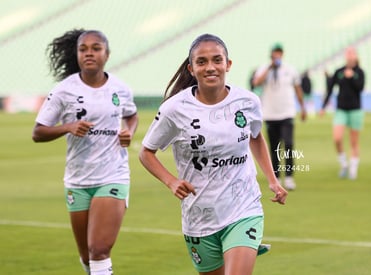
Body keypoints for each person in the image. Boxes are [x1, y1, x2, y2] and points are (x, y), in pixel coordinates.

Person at [139, 33, 287, 275]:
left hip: (243, 209)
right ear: (191, 68)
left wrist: (272, 180)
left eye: (217, 60)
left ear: (228, 64)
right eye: (202, 61)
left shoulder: (248, 101)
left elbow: (256, 136)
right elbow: (146, 152)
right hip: (199, 217)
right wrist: (171, 181)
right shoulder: (174, 109)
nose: (210, 67)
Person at [32, 29, 138, 275]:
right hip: (78, 180)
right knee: (87, 257)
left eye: (96, 48)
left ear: (107, 54)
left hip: (113, 175)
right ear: (77, 54)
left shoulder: (120, 88)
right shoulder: (63, 90)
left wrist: (129, 131)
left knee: (99, 249)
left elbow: (131, 115)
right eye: (83, 49)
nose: (89, 53)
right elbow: (38, 132)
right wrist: (68, 127)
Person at [252, 43, 307, 191]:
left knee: (288, 144)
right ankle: (275, 176)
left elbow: (297, 89)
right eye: (275, 53)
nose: (277, 56)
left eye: (279, 53)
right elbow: (256, 82)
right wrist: (270, 67)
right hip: (270, 114)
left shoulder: (290, 70)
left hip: (287, 112)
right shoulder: (264, 68)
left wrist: (302, 107)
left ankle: (289, 176)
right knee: (274, 147)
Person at [319, 46, 365, 180]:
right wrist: (323, 107)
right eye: (348, 53)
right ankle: (344, 163)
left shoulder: (360, 72)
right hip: (341, 109)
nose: (350, 55)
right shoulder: (339, 71)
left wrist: (352, 78)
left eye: (352, 53)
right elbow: (330, 89)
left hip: (355, 110)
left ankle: (353, 169)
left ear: (356, 56)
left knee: (354, 141)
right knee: (337, 138)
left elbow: (360, 88)